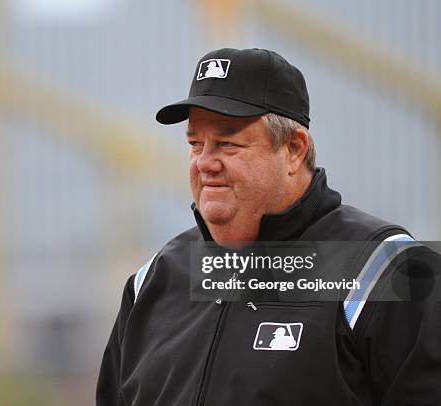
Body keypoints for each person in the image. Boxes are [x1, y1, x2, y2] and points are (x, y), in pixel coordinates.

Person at [96, 48, 441, 406]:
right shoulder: (152, 281)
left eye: (227, 143)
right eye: (195, 143)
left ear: (293, 149)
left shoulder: (386, 272)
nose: (204, 162)